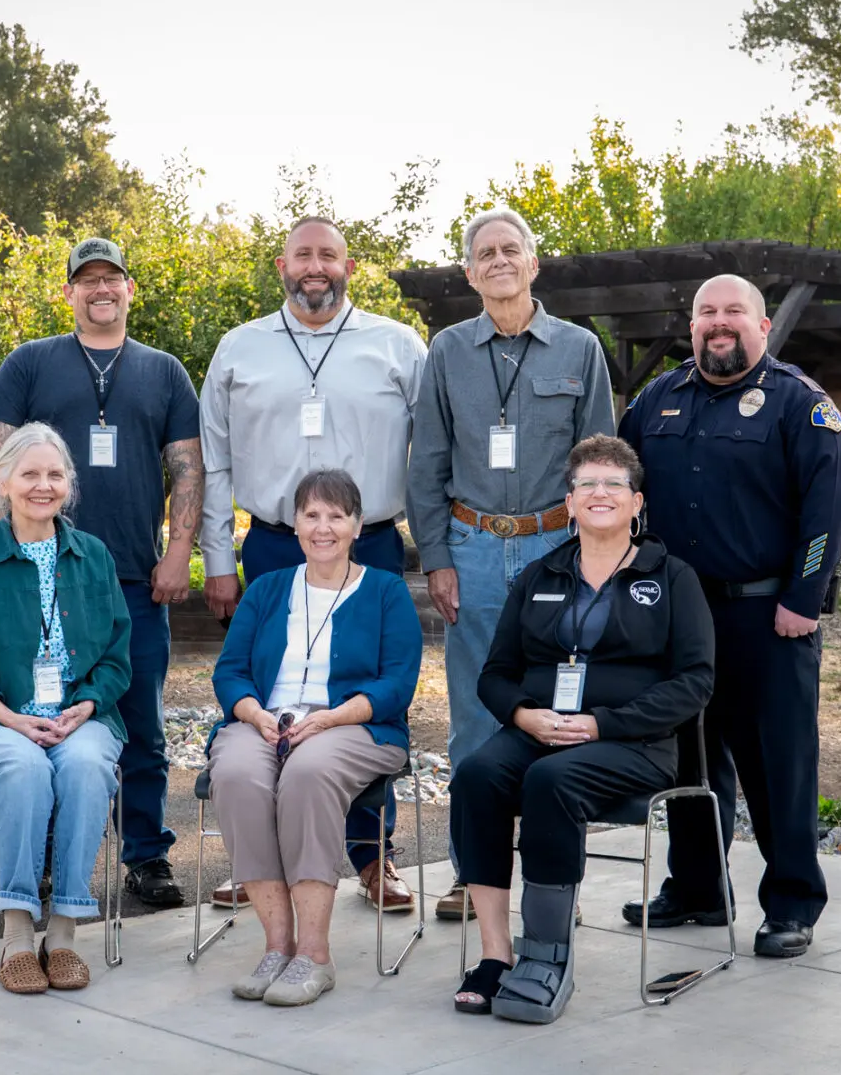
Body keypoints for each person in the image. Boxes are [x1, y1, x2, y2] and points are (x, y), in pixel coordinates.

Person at [619, 273, 841, 959]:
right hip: (680, 620)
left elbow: (826, 510)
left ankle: (790, 904)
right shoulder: (656, 401)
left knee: (777, 766)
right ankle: (696, 890)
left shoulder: (798, 403)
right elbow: (623, 491)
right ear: (691, 326)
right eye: (705, 314)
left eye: (732, 312)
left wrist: (801, 602)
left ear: (761, 326)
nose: (717, 323)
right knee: (687, 764)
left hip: (766, 618)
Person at [199, 216, 427, 912]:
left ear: (349, 266)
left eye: (328, 255)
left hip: (372, 543)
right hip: (270, 542)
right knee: (273, 692)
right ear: (280, 265)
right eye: (303, 255)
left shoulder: (396, 345)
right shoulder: (240, 347)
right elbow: (213, 458)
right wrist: (216, 558)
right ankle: (256, 862)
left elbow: (433, 453)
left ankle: (371, 858)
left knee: (358, 696)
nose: (315, 267)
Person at [446, 435, 714, 1023]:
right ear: (568, 502)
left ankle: (547, 958)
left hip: (632, 743)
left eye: (613, 484)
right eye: (587, 484)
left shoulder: (671, 577)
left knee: (550, 782)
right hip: (537, 731)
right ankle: (496, 955)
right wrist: (521, 714)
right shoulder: (541, 574)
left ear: (636, 502)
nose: (599, 493)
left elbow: (694, 681)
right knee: (477, 775)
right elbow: (494, 673)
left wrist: (600, 724)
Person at [0, 237, 202, 908]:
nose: (101, 289)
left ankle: (146, 855)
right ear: (68, 292)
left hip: (133, 579)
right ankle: (45, 855)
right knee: (42, 714)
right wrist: (2, 560)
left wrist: (178, 552)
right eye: (87, 280)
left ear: (130, 289)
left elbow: (185, 467)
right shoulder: (29, 364)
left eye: (113, 278)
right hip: (39, 577)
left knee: (140, 725)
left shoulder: (163, 372)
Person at [407, 207, 617, 920]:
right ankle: (475, 873)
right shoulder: (445, 353)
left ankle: (555, 879)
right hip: (470, 549)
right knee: (475, 715)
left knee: (562, 711)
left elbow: (600, 464)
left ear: (533, 263)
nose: (498, 261)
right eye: (484, 253)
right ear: (469, 273)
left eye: (510, 249)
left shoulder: (578, 349)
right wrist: (435, 556)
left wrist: (599, 556)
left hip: (558, 550)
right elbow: (427, 462)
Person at [0, 422, 131, 994]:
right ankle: (17, 931)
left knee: (87, 767)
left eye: (55, 474)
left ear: (69, 484)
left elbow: (116, 658)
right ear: (3, 483)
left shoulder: (93, 556)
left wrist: (86, 707)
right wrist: (9, 717)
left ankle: (63, 932)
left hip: (77, 716)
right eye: (30, 474)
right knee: (23, 765)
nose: (44, 485)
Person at [206, 469, 422, 1007]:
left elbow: (397, 682)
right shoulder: (267, 588)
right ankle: (277, 947)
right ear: (295, 524)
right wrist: (256, 716)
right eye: (311, 515)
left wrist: (328, 719)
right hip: (266, 719)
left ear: (358, 524)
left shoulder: (386, 591)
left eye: (336, 515)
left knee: (307, 771)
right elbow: (229, 672)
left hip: (356, 725)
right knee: (234, 773)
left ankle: (315, 956)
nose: (323, 527)